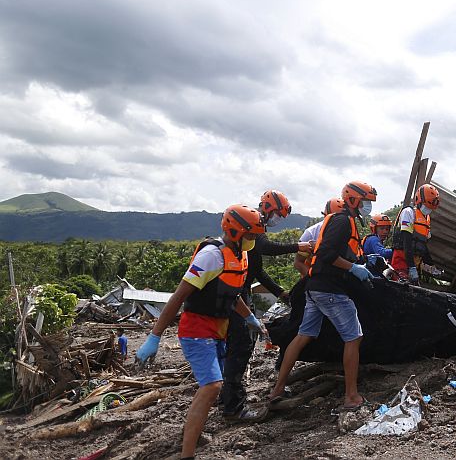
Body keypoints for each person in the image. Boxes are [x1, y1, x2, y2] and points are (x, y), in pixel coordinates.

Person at [134, 205, 269, 460]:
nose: (253, 241)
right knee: (212, 386)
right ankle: (187, 454)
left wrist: (249, 317)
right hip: (196, 330)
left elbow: (233, 294)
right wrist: (154, 336)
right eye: (250, 236)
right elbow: (179, 296)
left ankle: (193, 437)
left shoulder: (240, 255)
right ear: (235, 231)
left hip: (218, 330)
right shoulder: (211, 256)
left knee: (213, 388)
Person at [268, 181, 377, 411]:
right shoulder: (343, 221)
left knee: (304, 334)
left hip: (315, 288)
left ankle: (277, 389)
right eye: (366, 201)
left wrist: (362, 262)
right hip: (329, 289)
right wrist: (352, 269)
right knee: (354, 337)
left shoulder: (344, 222)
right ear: (354, 200)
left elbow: (336, 252)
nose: (368, 206)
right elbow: (326, 254)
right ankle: (351, 396)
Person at [220, 190, 314, 421]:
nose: (278, 220)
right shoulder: (252, 228)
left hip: (241, 290)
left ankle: (227, 394)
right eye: (278, 215)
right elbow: (267, 248)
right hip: (236, 292)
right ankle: (233, 405)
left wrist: (280, 292)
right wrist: (298, 246)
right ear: (268, 208)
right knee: (241, 345)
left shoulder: (255, 233)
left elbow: (257, 269)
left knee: (239, 344)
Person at [390, 184, 440, 285]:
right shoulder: (409, 213)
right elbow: (406, 242)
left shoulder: (427, 219)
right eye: (427, 205)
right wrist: (411, 266)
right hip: (402, 261)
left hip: (415, 262)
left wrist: (431, 265)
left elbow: (423, 244)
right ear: (419, 201)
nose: (428, 209)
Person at [293, 198, 345, 278]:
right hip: (314, 282)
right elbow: (298, 262)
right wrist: (313, 278)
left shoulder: (346, 230)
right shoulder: (311, 233)